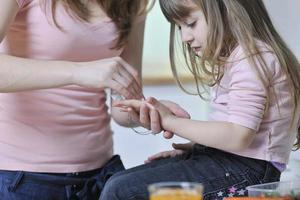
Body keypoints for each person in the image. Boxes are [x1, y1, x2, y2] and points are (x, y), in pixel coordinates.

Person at [100, 0, 300, 199]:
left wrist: (170, 121)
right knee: (118, 182)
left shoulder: (253, 58)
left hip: (247, 170)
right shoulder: (238, 58)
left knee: (120, 190)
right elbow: (233, 133)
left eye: (191, 23)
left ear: (227, 10)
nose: (185, 37)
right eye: (179, 27)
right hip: (232, 162)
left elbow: (238, 136)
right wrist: (199, 151)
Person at [0, 0, 190, 199]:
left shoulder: (133, 3)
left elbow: (122, 103)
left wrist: (147, 110)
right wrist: (78, 72)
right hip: (24, 179)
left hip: (101, 176)